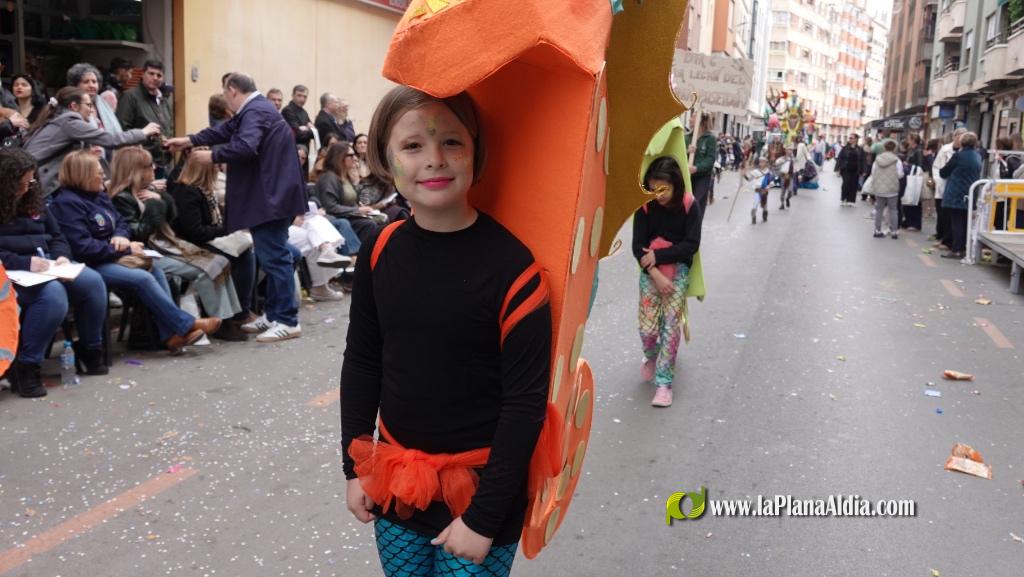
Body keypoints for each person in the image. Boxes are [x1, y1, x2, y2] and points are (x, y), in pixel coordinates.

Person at [341, 86, 551, 574]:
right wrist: (356, 468)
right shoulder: (378, 249)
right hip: (395, 486)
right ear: (384, 157)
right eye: (412, 146)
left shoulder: (515, 271)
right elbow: (363, 360)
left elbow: (524, 405)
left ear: (477, 152)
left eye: (452, 142)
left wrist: (483, 518)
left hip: (482, 490)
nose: (434, 159)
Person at [164, 72, 308, 343]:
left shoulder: (255, 111)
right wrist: (190, 140)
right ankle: (275, 314)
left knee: (274, 258)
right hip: (273, 197)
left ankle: (287, 320)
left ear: (232, 90)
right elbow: (224, 131)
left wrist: (212, 155)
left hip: (270, 198)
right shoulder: (256, 110)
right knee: (274, 256)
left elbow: (245, 145)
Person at [49, 150, 221, 352]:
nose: (103, 176)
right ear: (82, 174)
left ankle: (171, 336)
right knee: (142, 278)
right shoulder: (67, 203)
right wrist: (119, 247)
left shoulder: (98, 195)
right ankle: (185, 324)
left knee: (154, 268)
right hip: (90, 263)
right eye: (98, 172)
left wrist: (121, 236)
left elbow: (120, 222)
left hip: (112, 256)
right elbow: (82, 247)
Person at [0, 148, 108, 397]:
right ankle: (27, 365)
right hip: (13, 274)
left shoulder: (34, 200)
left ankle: (90, 349)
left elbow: (58, 236)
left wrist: (61, 256)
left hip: (46, 265)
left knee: (92, 282)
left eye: (30, 182)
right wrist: (24, 262)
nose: (27, 188)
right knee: (53, 295)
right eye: (21, 183)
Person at [108, 147, 245, 337]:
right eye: (149, 166)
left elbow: (172, 218)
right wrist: (156, 204)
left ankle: (231, 317)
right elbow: (138, 233)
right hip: (146, 253)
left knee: (220, 261)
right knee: (208, 267)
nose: (154, 168)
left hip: (163, 246)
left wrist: (162, 198)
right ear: (136, 170)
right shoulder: (121, 199)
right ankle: (221, 320)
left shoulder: (148, 192)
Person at [632, 156, 702, 407]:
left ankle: (664, 384)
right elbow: (637, 247)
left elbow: (691, 245)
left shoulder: (689, 205)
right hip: (650, 272)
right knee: (648, 330)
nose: (658, 194)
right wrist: (656, 272)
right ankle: (651, 355)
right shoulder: (645, 206)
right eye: (653, 188)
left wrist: (660, 256)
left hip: (679, 270)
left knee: (670, 327)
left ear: (676, 185)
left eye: (664, 189)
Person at [169, 147, 260, 337]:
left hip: (206, 238)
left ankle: (242, 310)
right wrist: (226, 229)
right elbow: (194, 232)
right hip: (191, 244)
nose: (218, 170)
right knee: (233, 257)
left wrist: (227, 227)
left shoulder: (202, 190)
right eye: (215, 167)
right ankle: (236, 314)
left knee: (246, 250)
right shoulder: (187, 192)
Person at [23, 87, 160, 197]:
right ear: (74, 106)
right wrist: (143, 132)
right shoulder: (70, 122)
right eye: (88, 105)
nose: (92, 109)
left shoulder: (60, 120)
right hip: (40, 183)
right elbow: (111, 140)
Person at [116, 59, 174, 172]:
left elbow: (169, 128)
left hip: (163, 163)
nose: (155, 78)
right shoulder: (130, 97)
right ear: (142, 74)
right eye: (151, 74)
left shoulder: (163, 100)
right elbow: (122, 130)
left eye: (159, 75)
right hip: (139, 164)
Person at [316, 141, 380, 243]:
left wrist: (360, 208)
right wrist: (358, 210)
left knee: (382, 220)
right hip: (335, 218)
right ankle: (363, 255)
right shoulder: (328, 178)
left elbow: (351, 201)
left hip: (349, 216)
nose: (355, 158)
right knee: (369, 225)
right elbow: (331, 207)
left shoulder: (345, 176)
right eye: (351, 155)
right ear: (339, 157)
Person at [939, 131, 982, 259]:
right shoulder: (977, 156)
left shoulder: (958, 156)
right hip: (970, 192)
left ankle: (956, 249)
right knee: (965, 221)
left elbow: (943, 172)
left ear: (962, 143)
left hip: (956, 193)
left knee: (956, 221)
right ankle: (963, 248)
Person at [931, 128, 966, 250]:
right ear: (954, 137)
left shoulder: (964, 153)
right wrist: (937, 179)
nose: (960, 139)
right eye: (959, 136)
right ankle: (941, 236)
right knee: (941, 213)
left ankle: (947, 240)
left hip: (955, 187)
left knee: (950, 215)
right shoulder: (945, 149)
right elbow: (937, 166)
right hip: (943, 183)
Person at [68, 62, 123, 135]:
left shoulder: (103, 102)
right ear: (75, 85)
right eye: (86, 82)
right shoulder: (73, 105)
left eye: (94, 82)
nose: (91, 85)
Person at [869, 140, 903, 239]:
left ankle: (877, 230)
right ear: (894, 149)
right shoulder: (897, 160)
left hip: (879, 188)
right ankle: (894, 232)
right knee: (893, 210)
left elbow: (873, 172)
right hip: (892, 189)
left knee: (879, 209)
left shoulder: (877, 159)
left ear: (884, 148)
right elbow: (900, 174)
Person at [689, 112, 716, 211]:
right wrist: (687, 151)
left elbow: (710, 159)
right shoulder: (687, 137)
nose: (689, 119)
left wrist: (697, 168)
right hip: (686, 176)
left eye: (693, 117)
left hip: (702, 177)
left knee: (696, 204)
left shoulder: (710, 139)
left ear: (700, 121)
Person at [281, 85, 315, 149]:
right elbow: (298, 134)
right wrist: (308, 129)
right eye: (299, 95)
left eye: (305, 97)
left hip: (305, 150)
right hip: (293, 149)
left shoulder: (304, 112)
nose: (302, 99)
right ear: (293, 95)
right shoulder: (288, 110)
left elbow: (314, 133)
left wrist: (306, 129)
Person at [902, 134, 924, 231]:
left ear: (913, 140)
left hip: (914, 178)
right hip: (909, 176)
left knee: (914, 200)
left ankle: (914, 223)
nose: (908, 141)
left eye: (909, 139)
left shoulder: (918, 151)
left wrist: (908, 165)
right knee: (908, 199)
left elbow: (920, 165)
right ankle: (908, 221)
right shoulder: (912, 150)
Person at [835, 133, 864, 207]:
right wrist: (837, 168)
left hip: (856, 170)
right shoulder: (845, 148)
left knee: (854, 185)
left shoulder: (860, 149)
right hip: (846, 169)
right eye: (849, 138)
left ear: (856, 139)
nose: (850, 139)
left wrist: (864, 171)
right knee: (845, 184)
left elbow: (863, 160)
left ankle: (851, 200)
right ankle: (843, 199)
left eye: (851, 138)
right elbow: (840, 158)